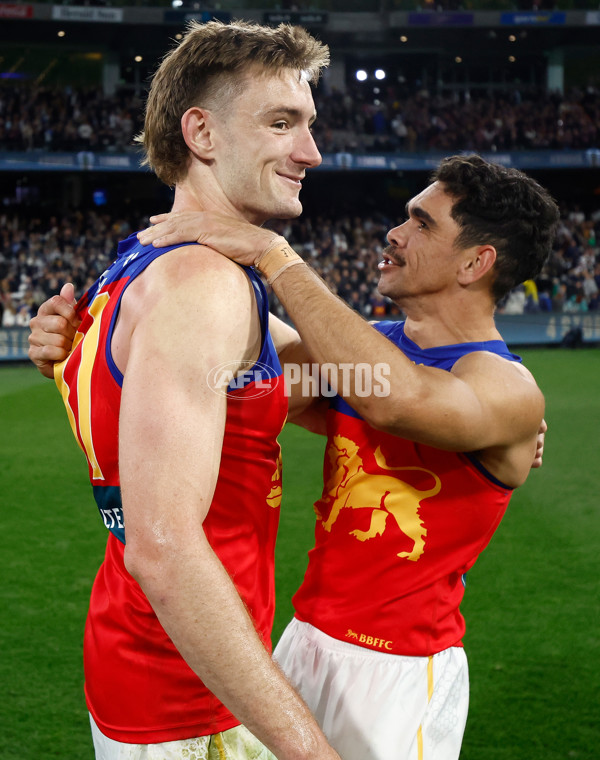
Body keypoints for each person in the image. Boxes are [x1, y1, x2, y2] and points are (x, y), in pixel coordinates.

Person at [31, 154, 555, 759]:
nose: (395, 231)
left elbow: (400, 399)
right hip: (298, 646)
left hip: (401, 669)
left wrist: (274, 255)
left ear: (476, 262)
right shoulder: (366, 351)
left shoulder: (507, 387)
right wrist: (86, 338)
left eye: (423, 222)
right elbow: (223, 369)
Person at [28, 20, 341, 760]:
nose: (311, 152)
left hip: (135, 661)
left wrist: (466, 400)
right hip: (189, 700)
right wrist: (312, 751)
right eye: (281, 122)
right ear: (200, 131)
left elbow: (338, 381)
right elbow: (163, 550)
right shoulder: (203, 283)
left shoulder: (142, 258)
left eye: (309, 125)